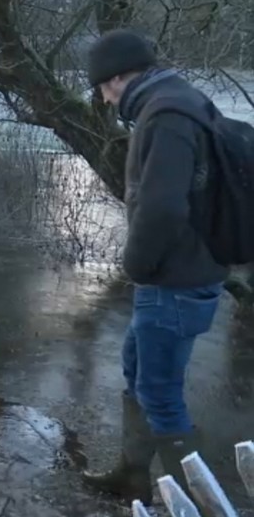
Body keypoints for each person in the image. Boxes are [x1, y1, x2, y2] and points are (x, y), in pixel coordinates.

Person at [82, 29, 228, 505]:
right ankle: (132, 475)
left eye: (103, 86)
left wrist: (137, 265)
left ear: (121, 77)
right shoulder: (181, 100)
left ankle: (199, 503)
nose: (104, 98)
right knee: (137, 367)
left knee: (161, 393)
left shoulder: (165, 115)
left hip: (174, 278)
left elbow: (162, 208)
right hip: (189, 270)